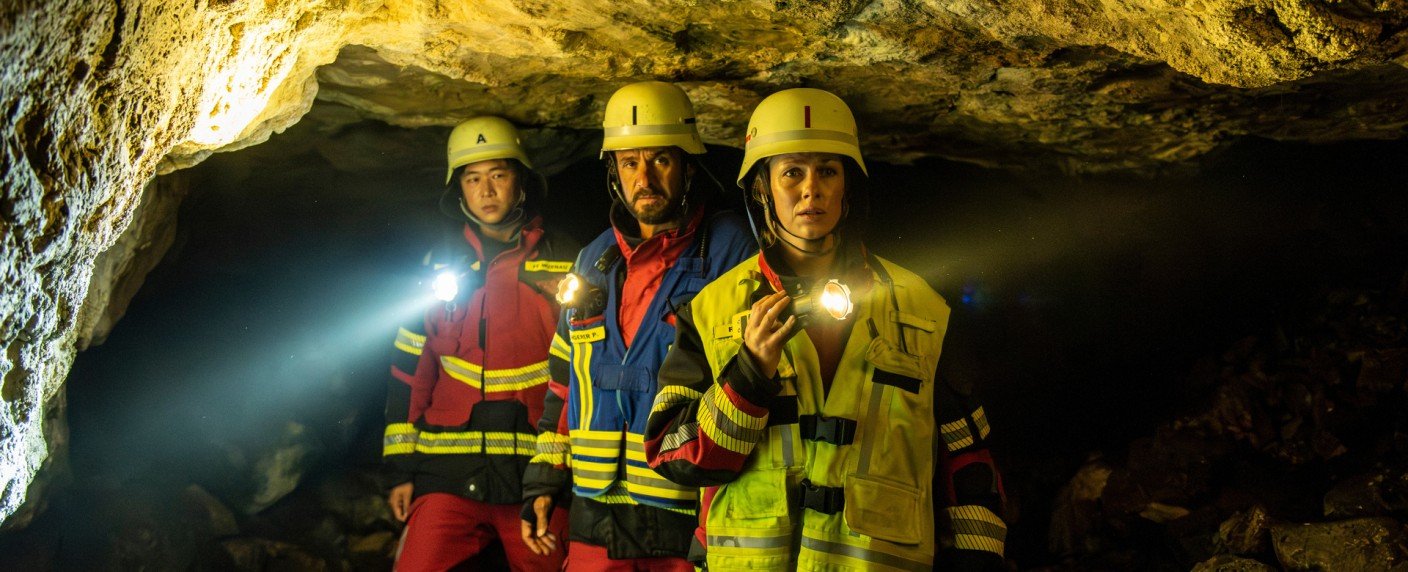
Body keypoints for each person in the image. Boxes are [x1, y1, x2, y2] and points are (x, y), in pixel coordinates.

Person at [644, 88, 1009, 571]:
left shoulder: (922, 308)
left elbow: (970, 461)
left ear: (847, 187)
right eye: (792, 171)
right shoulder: (710, 310)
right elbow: (673, 458)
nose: (810, 189)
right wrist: (747, 377)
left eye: (828, 171)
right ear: (762, 187)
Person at [521, 81, 756, 570]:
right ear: (613, 172)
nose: (643, 178)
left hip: (684, 514)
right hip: (595, 517)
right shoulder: (593, 258)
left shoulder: (732, 250)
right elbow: (564, 383)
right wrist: (545, 478)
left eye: (660, 160)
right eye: (629, 163)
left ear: (689, 165)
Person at [382, 116, 579, 571]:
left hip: (536, 474)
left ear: (522, 183)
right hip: (447, 473)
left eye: (498, 175)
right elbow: (411, 368)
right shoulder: (437, 268)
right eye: (473, 179)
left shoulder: (567, 261)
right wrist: (401, 470)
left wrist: (558, 470)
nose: (486, 191)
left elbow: (583, 373)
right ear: (459, 191)